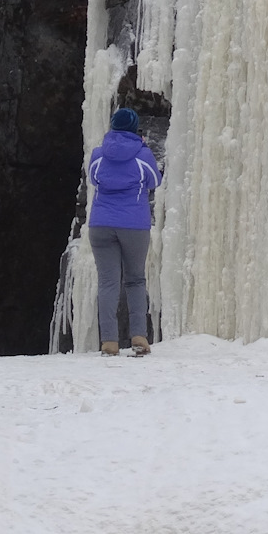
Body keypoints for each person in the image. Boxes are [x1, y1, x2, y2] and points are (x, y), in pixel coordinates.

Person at [87, 107, 161, 356]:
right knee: (135, 280)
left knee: (108, 282)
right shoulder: (143, 156)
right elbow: (155, 181)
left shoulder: (99, 155)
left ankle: (109, 341)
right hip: (133, 225)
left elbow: (94, 179)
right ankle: (138, 336)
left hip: (101, 224)